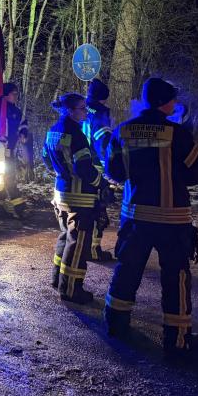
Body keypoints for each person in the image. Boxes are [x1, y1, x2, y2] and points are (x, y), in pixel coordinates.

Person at [102, 78, 198, 355]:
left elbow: (113, 171)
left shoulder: (123, 131)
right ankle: (178, 339)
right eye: (172, 99)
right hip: (173, 219)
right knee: (176, 278)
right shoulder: (179, 133)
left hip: (136, 216)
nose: (175, 103)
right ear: (164, 102)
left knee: (127, 270)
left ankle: (115, 324)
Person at [42, 93, 103, 303]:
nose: (86, 112)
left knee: (65, 236)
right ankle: (71, 289)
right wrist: (100, 182)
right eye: (82, 108)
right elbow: (84, 167)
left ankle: (57, 278)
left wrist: (62, 173)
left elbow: (46, 159)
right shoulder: (76, 134)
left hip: (60, 193)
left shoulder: (53, 130)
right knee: (78, 244)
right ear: (70, 110)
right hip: (79, 197)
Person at [81, 79, 115, 262]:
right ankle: (93, 249)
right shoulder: (100, 114)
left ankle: (82, 246)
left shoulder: (79, 108)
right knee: (99, 211)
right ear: (103, 97)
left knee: (84, 210)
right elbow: (103, 143)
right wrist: (110, 170)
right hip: (95, 168)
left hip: (79, 166)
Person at [0, 82, 29, 218]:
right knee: (9, 178)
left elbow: (23, 123)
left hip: (9, 150)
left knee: (2, 179)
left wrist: (23, 133)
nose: (16, 96)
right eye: (14, 94)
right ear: (6, 94)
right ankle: (20, 208)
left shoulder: (15, 111)